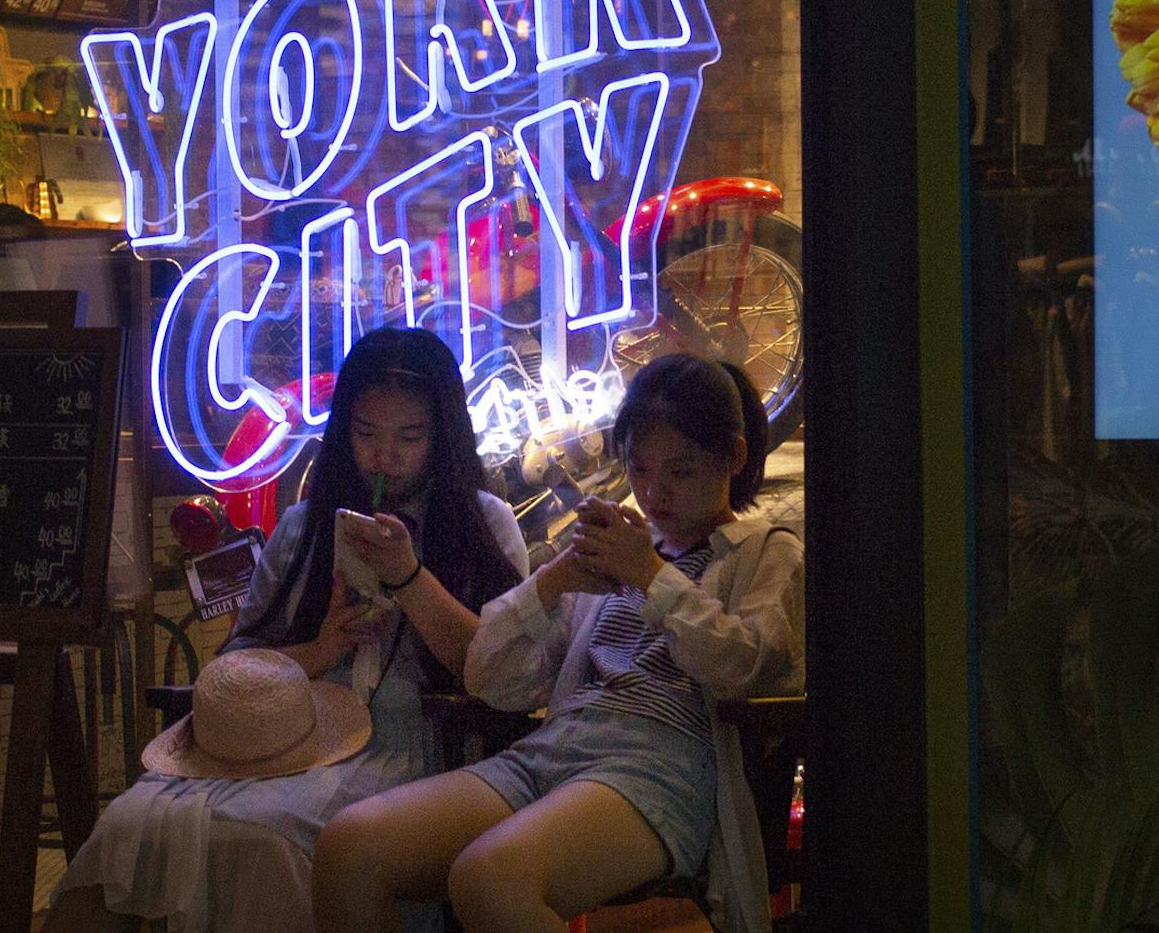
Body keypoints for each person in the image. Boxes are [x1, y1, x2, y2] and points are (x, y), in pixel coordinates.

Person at [47, 327, 529, 933]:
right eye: (365, 435)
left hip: (416, 743)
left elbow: (497, 671)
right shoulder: (305, 526)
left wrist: (408, 576)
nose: (384, 457)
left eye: (409, 437)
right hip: (289, 736)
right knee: (130, 820)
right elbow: (240, 663)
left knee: (259, 834)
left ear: (444, 437)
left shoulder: (484, 524)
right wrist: (321, 648)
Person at [312, 353, 804, 933]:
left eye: (682, 470)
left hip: (658, 766)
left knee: (489, 879)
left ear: (734, 458)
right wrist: (553, 582)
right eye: (639, 469)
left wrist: (652, 576)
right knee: (349, 847)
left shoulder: (765, 552)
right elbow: (492, 679)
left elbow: (749, 665)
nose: (654, 491)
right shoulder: (618, 550)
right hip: (554, 747)